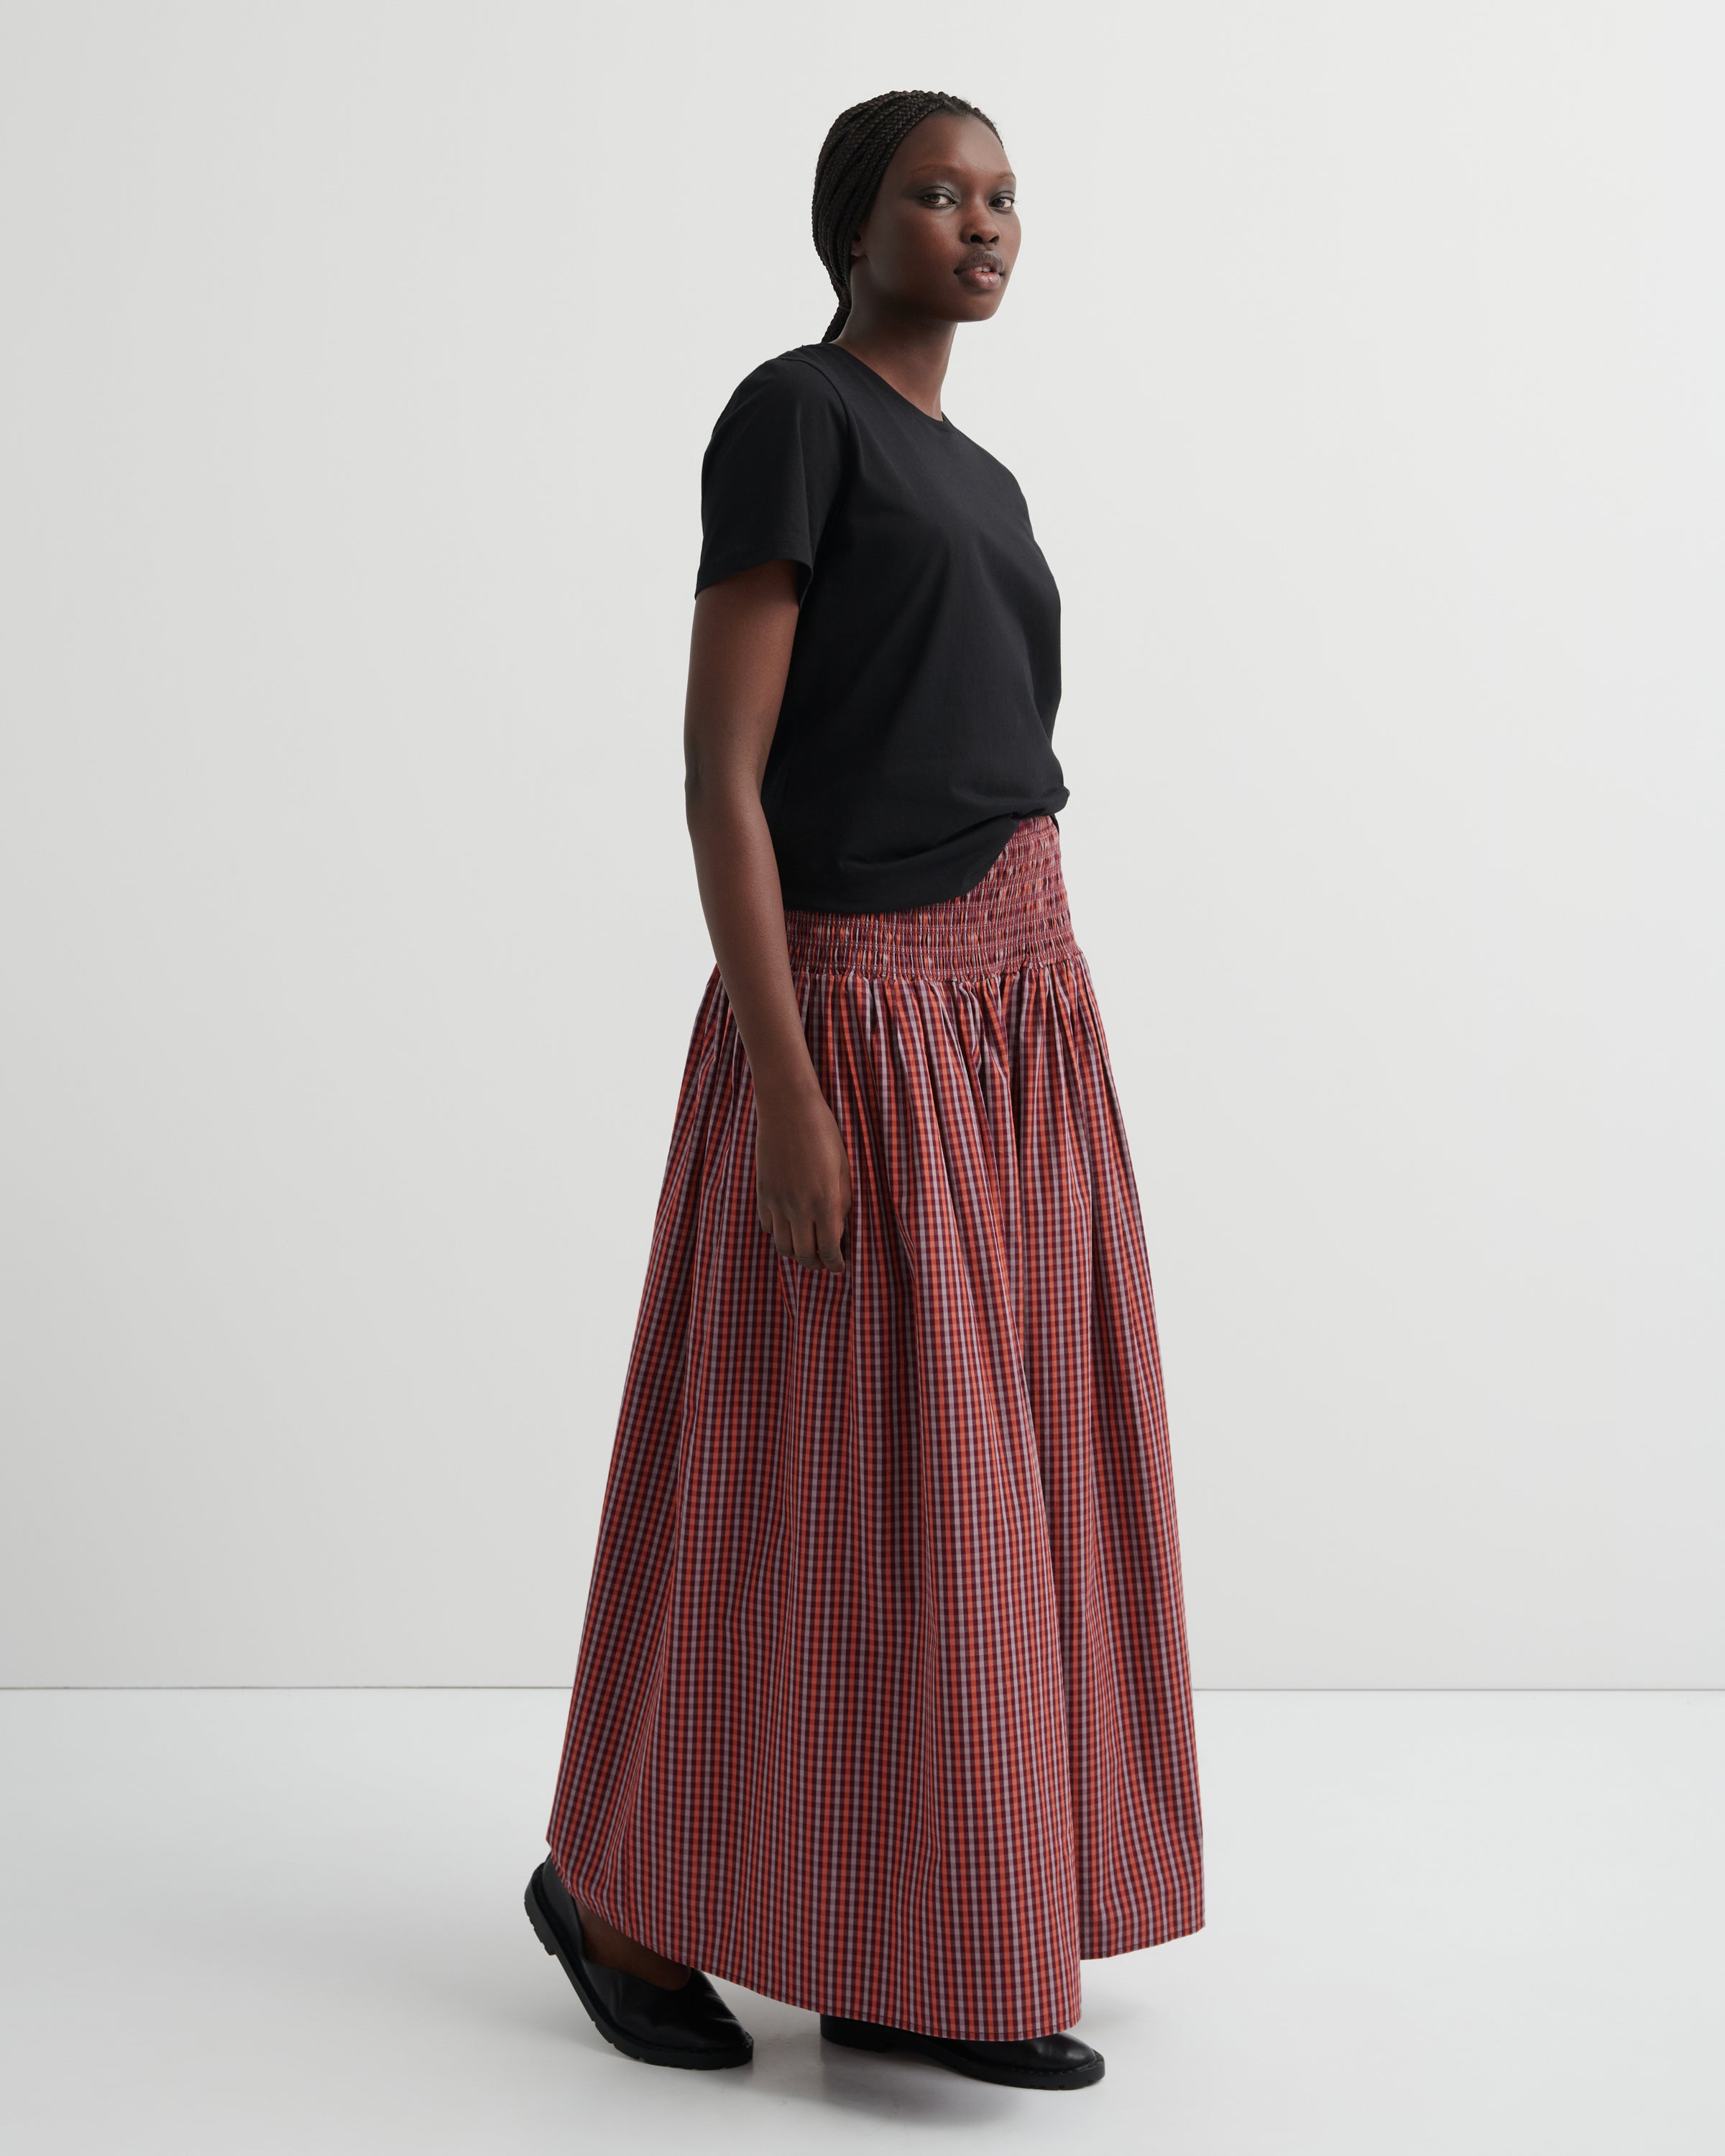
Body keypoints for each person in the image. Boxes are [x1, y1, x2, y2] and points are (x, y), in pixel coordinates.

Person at [524, 88, 1203, 2093]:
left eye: (1004, 197)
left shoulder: (979, 473)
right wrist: (790, 1085)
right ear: (852, 224)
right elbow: (719, 777)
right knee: (789, 1475)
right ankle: (621, 1902)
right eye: (935, 192)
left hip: (1015, 1008)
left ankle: (911, 1939)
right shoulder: (795, 416)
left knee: (973, 1498)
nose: (981, 225)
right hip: (864, 1018)